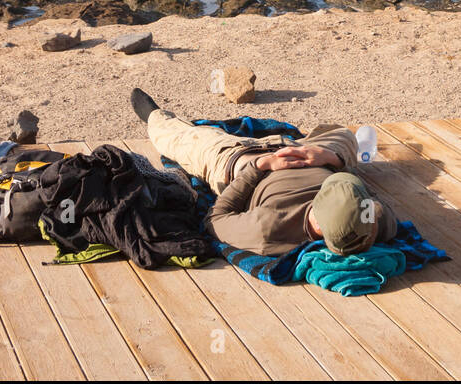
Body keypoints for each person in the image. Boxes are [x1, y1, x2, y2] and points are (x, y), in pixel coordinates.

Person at [129, 87, 397, 257]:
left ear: (317, 219)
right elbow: (369, 196)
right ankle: (327, 152)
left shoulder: (268, 229)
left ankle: (156, 117)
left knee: (189, 141)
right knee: (344, 136)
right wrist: (333, 160)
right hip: (311, 156)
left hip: (245, 164)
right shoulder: (374, 221)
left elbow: (216, 218)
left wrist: (260, 166)